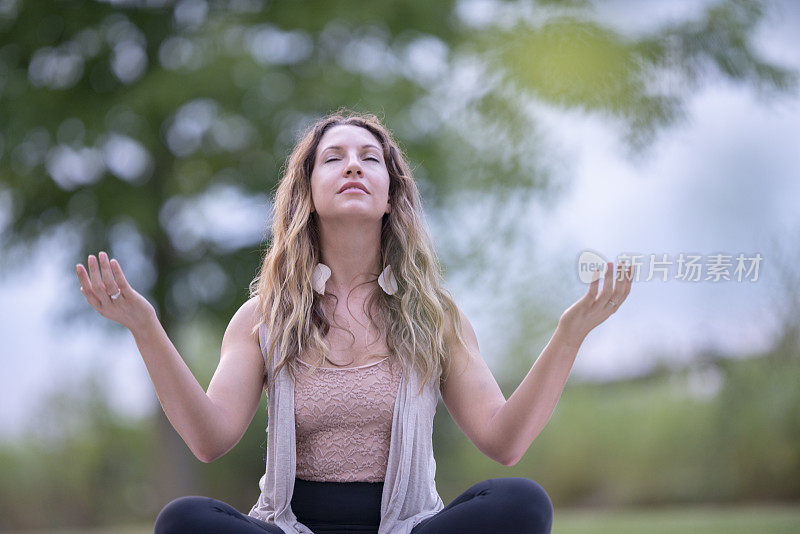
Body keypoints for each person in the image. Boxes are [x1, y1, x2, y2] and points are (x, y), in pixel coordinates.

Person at [76, 109, 633, 534]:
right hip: (293, 528)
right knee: (184, 519)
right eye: (334, 157)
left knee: (522, 501)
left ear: (391, 195)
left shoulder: (434, 314)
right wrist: (145, 327)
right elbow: (209, 438)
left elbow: (504, 440)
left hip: (407, 527)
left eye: (370, 158)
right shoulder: (264, 316)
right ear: (309, 192)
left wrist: (569, 334)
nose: (353, 166)